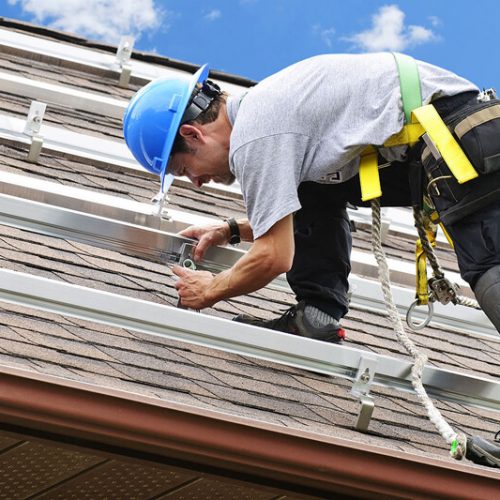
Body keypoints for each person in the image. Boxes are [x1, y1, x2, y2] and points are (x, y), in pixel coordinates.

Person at [123, 52, 500, 339]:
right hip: (458, 142)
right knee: (313, 189)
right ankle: (316, 315)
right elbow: (298, 207)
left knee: (490, 270)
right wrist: (234, 230)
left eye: (183, 170)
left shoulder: (255, 136)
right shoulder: (267, 114)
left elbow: (274, 256)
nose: (196, 182)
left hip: (461, 147)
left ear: (193, 135)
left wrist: (210, 290)